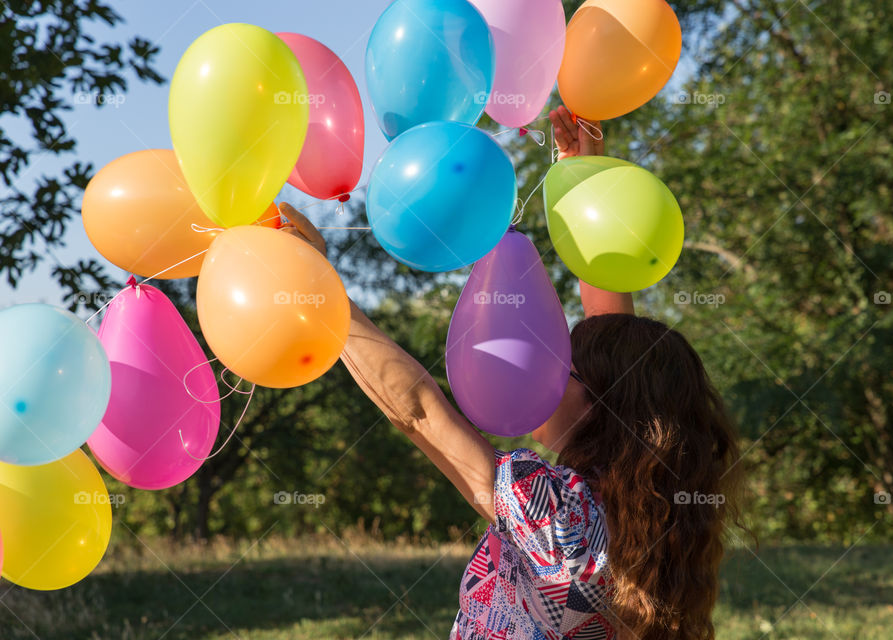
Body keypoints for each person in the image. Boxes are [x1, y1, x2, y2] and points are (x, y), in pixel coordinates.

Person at [278, 105, 747, 640]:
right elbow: (623, 359)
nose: (543, 367)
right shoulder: (646, 526)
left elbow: (419, 412)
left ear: (599, 406)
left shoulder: (552, 517)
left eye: (563, 367)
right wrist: (583, 180)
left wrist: (321, 294)